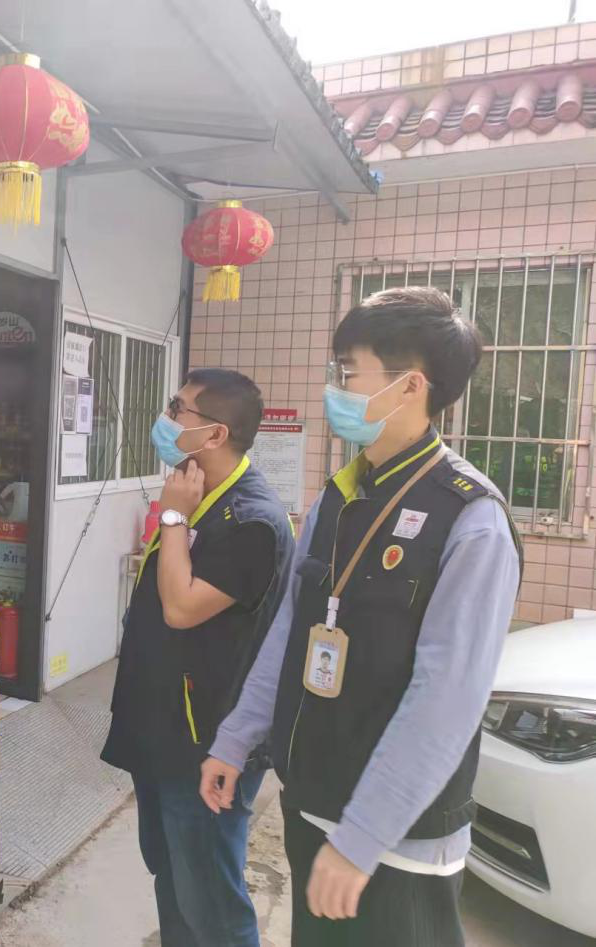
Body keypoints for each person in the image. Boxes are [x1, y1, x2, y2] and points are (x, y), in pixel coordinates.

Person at [201, 288, 521, 947]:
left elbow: (446, 702)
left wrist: (363, 836)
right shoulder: (340, 498)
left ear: (410, 387)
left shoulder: (471, 518)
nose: (336, 388)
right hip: (314, 804)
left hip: (395, 842)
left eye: (349, 372)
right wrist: (237, 736)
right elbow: (289, 632)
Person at [101, 368, 296, 947]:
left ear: (214, 434)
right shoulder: (199, 495)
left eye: (176, 408)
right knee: (171, 875)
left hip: (207, 745)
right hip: (163, 730)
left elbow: (181, 608)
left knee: (210, 899)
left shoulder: (253, 521)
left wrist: (173, 517)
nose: (165, 419)